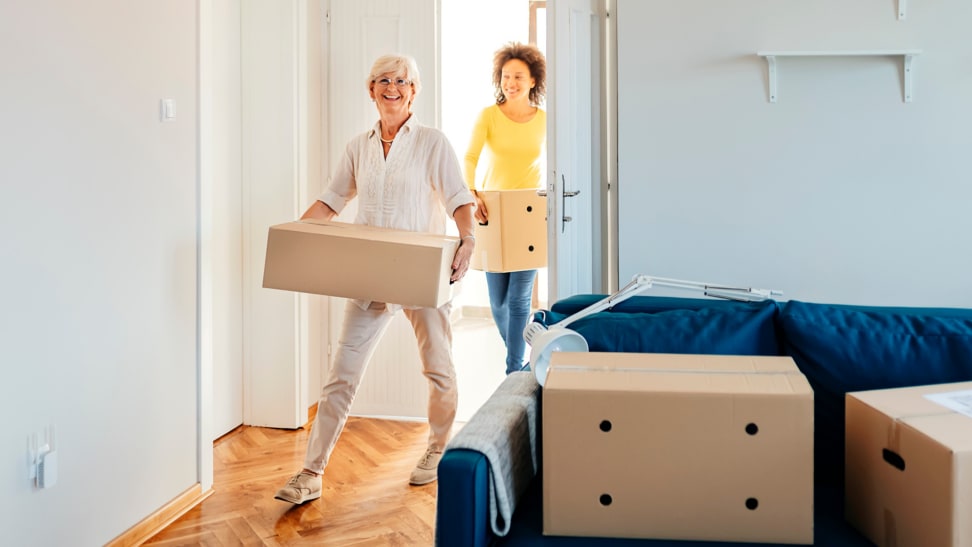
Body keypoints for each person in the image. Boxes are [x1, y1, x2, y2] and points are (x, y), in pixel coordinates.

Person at [274, 54, 476, 505]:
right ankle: (311, 472)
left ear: (414, 90)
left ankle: (439, 450)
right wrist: (295, 237)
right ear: (371, 90)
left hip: (421, 273)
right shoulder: (357, 147)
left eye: (402, 81)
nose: (393, 87)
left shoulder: (432, 143)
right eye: (383, 80)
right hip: (369, 275)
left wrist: (468, 239)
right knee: (341, 375)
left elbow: (458, 197)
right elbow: (332, 200)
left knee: (437, 367)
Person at [463, 42, 547, 375]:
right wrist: (472, 195)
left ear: (532, 81)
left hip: (528, 210)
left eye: (518, 77)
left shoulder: (544, 120)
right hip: (492, 211)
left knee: (518, 299)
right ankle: (527, 357)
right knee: (498, 302)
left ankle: (515, 369)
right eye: (505, 76)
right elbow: (470, 157)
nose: (510, 82)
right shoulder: (488, 116)